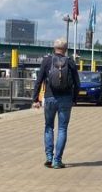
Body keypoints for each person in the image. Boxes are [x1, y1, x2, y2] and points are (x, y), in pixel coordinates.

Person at [32, 38, 80, 169]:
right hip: (65, 99)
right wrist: (74, 100)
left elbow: (39, 80)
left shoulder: (47, 60)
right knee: (62, 129)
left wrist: (35, 99)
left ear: (54, 48)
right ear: (65, 49)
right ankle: (57, 160)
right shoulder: (70, 62)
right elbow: (77, 83)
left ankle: (49, 156)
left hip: (49, 98)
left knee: (48, 127)